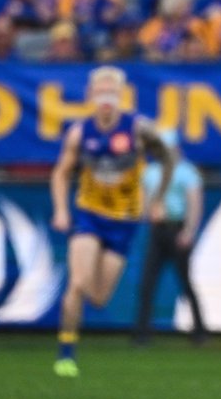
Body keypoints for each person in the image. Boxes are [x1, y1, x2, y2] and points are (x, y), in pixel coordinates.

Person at [50, 66, 173, 378]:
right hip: (89, 214)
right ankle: (66, 351)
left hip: (125, 220)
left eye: (111, 92)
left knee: (100, 297)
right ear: (91, 95)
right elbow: (62, 172)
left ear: (120, 96)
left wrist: (157, 199)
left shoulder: (138, 129)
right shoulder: (80, 132)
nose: (105, 98)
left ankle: (73, 328)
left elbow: (168, 158)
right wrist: (61, 210)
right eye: (100, 91)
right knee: (77, 282)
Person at [133, 130, 207, 346]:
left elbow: (195, 204)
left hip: (177, 229)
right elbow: (144, 205)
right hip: (157, 230)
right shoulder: (151, 172)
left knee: (185, 283)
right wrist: (150, 211)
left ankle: (199, 331)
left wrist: (189, 232)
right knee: (147, 283)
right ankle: (142, 333)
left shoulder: (186, 172)